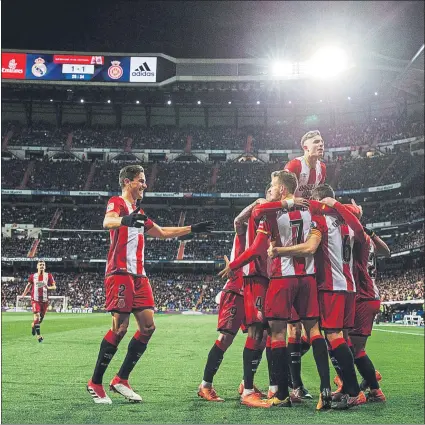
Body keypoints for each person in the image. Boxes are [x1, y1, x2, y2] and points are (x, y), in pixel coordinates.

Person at [87, 165, 214, 404]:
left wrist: (192, 229)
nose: (145, 184)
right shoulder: (118, 202)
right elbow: (107, 222)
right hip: (120, 272)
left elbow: (163, 232)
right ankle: (95, 382)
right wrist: (126, 219)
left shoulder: (140, 212)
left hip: (139, 275)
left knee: (148, 327)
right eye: (140, 181)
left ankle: (121, 380)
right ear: (127, 182)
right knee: (120, 328)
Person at [268, 184, 367, 409]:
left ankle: (354, 391)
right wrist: (349, 209)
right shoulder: (349, 222)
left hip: (330, 285)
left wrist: (277, 250)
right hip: (350, 286)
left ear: (319, 201)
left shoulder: (321, 221)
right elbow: (360, 231)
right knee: (341, 338)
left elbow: (311, 246)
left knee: (332, 336)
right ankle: (345, 388)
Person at [198, 194, 270, 402]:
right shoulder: (245, 230)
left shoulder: (266, 231)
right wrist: (256, 203)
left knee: (261, 337)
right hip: (237, 288)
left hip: (255, 288)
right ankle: (205, 385)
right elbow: (238, 221)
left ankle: (247, 383)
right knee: (226, 338)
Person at [283, 130, 326, 398]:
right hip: (290, 225)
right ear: (304, 146)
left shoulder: (322, 169)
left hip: (309, 227)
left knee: (306, 325)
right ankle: (293, 383)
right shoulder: (295, 166)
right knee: (293, 325)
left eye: (322, 142)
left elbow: (319, 196)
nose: (321, 146)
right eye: (316, 143)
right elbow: (279, 188)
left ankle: (292, 380)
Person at [22, 261, 56, 343]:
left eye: (43, 265)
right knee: (37, 315)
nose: (42, 266)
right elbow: (28, 286)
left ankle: (33, 326)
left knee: (39, 320)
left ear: (45, 267)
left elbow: (54, 286)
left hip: (44, 301)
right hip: (35, 300)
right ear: (37, 266)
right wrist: (23, 294)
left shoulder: (49, 276)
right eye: (40, 265)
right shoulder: (33, 276)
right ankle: (39, 336)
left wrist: (48, 287)